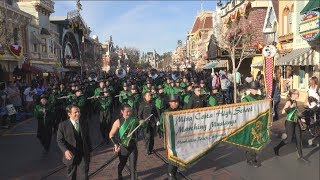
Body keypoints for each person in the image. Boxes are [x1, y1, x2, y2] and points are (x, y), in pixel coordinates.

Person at [57, 105, 92, 180]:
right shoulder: (63, 125)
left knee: (84, 175)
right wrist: (65, 150)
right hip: (71, 155)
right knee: (71, 176)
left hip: (83, 154)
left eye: (79, 112)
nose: (78, 114)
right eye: (75, 112)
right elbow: (60, 140)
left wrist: (89, 151)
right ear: (69, 114)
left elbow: (87, 138)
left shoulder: (84, 123)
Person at [273, 89, 308, 162]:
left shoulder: (295, 101)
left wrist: (300, 118)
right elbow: (282, 112)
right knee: (289, 139)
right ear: (292, 94)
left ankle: (300, 156)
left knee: (299, 138)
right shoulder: (289, 102)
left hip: (296, 122)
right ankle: (276, 148)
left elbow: (295, 112)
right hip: (289, 122)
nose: (298, 95)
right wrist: (290, 107)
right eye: (297, 94)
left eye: (298, 94)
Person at [109, 104, 140, 180]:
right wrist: (116, 144)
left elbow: (142, 124)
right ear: (122, 111)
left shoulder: (134, 119)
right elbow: (111, 135)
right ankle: (119, 172)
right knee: (122, 163)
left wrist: (142, 122)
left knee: (133, 167)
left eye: (130, 111)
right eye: (127, 112)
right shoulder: (118, 122)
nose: (129, 113)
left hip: (133, 146)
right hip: (123, 147)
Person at [159, 95, 181, 180]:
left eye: (177, 102)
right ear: (169, 103)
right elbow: (161, 125)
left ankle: (173, 173)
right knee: (172, 156)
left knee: (177, 156)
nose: (176, 103)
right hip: (170, 139)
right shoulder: (166, 112)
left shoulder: (181, 111)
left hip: (179, 138)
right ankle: (171, 175)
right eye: (174, 102)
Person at [241, 81, 263, 167]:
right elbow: (245, 111)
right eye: (254, 89)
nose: (256, 91)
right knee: (251, 141)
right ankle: (251, 159)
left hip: (258, 122)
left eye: (257, 89)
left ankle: (251, 155)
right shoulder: (245, 99)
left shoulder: (260, 97)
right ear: (250, 89)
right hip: (249, 123)